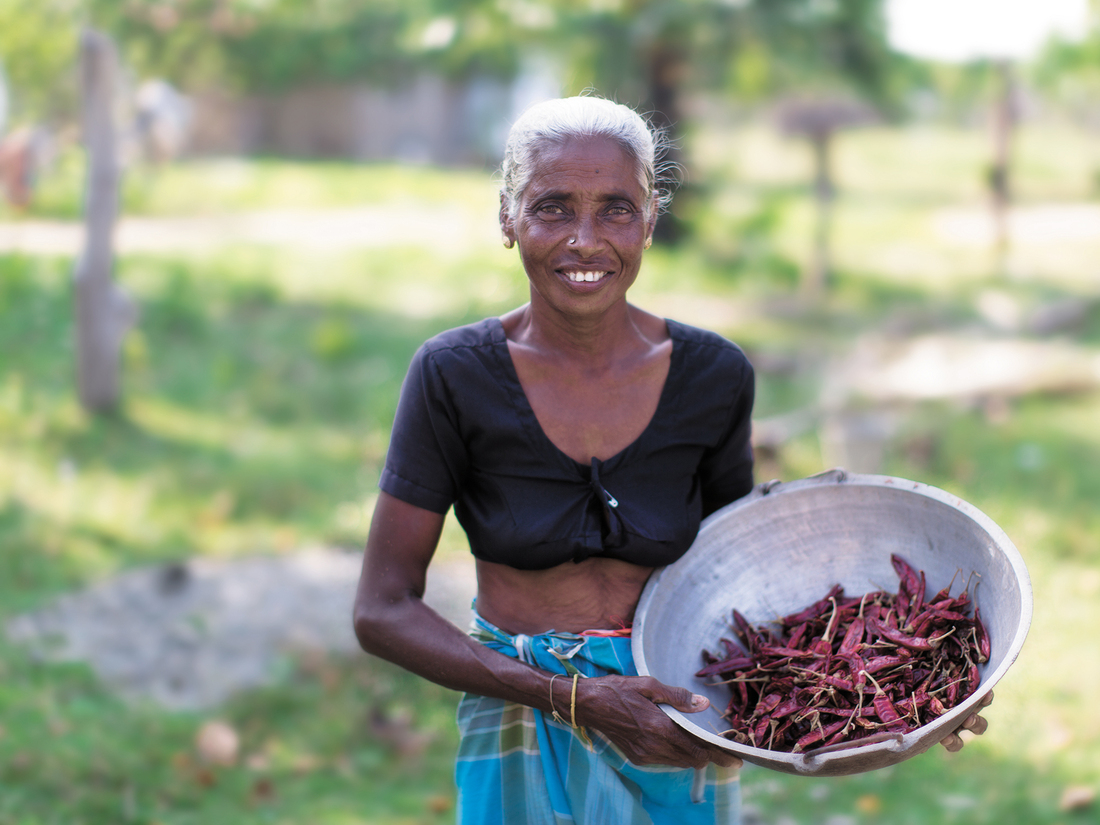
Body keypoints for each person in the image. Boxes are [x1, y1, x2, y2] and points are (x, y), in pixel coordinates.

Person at [353, 95, 989, 825]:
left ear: (651, 219)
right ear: (507, 218)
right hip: (522, 724)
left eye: (616, 209)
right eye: (553, 207)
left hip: (679, 724)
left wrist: (919, 688)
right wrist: (575, 697)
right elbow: (382, 609)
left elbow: (740, 588)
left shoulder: (712, 376)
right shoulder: (454, 374)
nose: (585, 240)